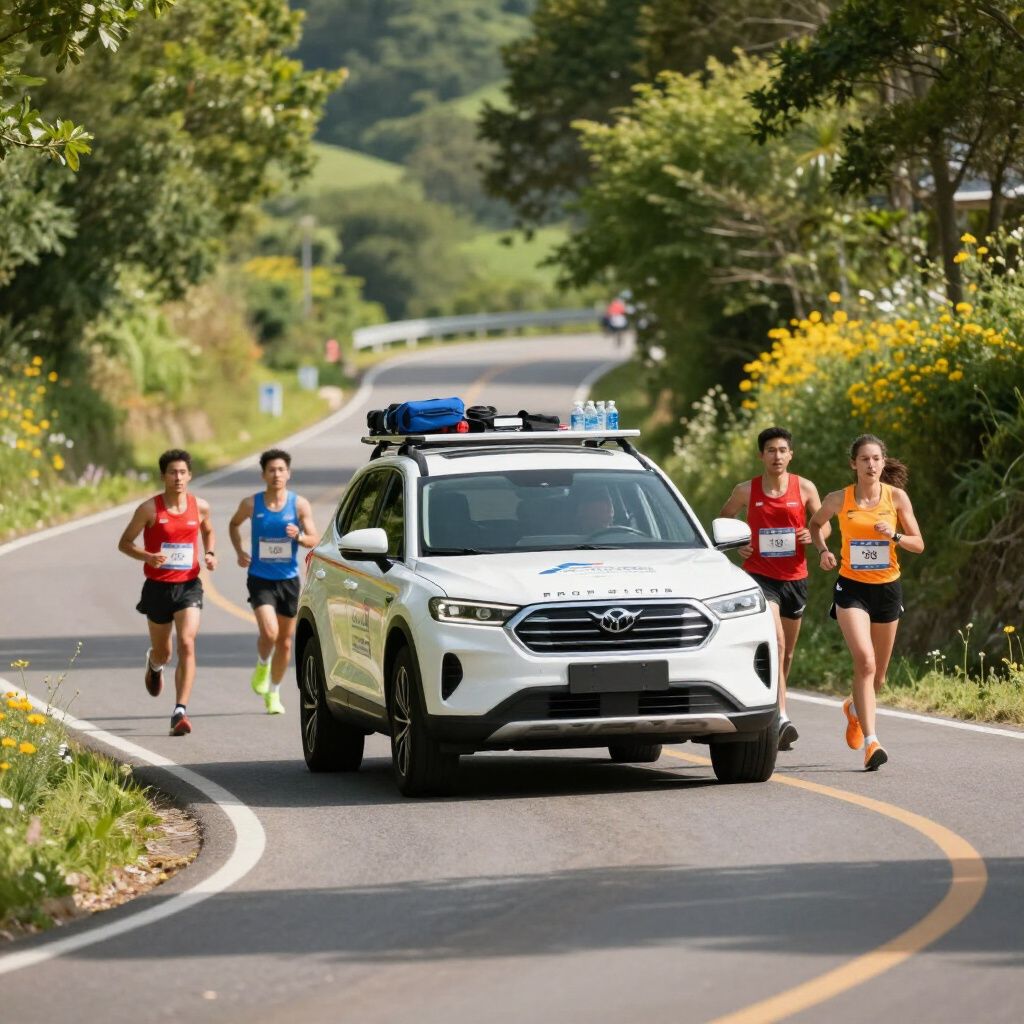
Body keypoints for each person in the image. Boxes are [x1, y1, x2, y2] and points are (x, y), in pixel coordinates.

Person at [809, 434, 924, 771]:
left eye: (876, 459)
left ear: (883, 462)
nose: (871, 465)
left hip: (888, 590)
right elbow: (816, 525)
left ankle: (854, 709)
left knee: (879, 678)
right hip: (852, 590)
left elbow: (919, 544)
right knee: (865, 661)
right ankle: (872, 743)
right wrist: (824, 552)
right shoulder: (838, 499)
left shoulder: (897, 498)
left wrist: (895, 535)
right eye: (864, 459)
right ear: (853, 464)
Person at [720, 427, 826, 751]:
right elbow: (725, 518)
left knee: (788, 652)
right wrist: (740, 544)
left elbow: (823, 523)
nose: (777, 456)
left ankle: (778, 707)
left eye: (782, 450)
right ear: (761, 456)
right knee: (777, 643)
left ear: (790, 454)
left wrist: (813, 536)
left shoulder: (805, 488)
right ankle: (781, 717)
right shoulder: (746, 490)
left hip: (795, 577)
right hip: (760, 577)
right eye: (770, 451)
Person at [118, 449, 216, 736]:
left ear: (190, 475)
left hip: (188, 586)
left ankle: (180, 711)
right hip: (157, 588)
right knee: (164, 651)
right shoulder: (149, 509)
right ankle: (155, 665)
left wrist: (209, 552)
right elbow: (124, 543)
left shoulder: (200, 507)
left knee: (187, 642)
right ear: (163, 476)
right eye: (172, 472)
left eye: (183, 472)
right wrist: (146, 556)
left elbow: (208, 531)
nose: (178, 477)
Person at [228, 449, 318, 715]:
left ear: (288, 473)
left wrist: (299, 536)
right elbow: (233, 525)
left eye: (281, 469)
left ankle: (274, 692)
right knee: (270, 633)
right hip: (260, 578)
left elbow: (315, 539)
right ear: (263, 474)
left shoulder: (299, 505)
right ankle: (262, 664)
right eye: (271, 470)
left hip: (288, 580)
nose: (276, 474)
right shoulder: (251, 504)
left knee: (286, 642)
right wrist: (239, 551)